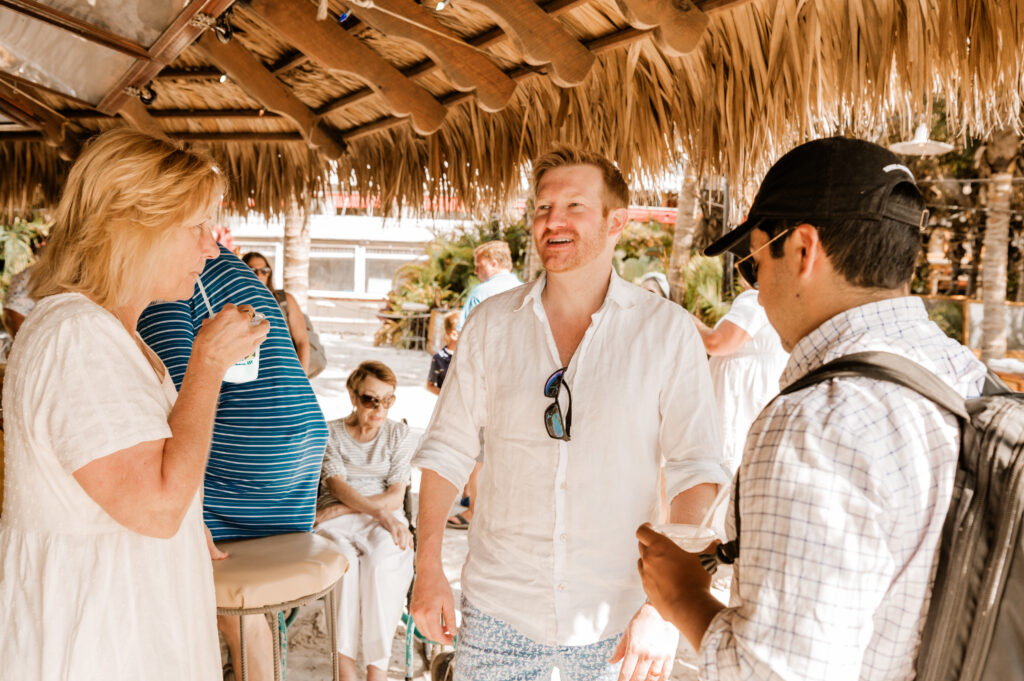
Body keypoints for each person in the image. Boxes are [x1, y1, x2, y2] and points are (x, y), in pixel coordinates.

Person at [636, 137, 989, 681]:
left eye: (752, 265)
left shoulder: (816, 422)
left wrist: (681, 598)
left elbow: (777, 673)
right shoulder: (966, 375)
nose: (756, 287)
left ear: (802, 249)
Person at [411, 145, 729, 681]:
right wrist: (427, 570)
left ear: (616, 222)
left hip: (622, 620)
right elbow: (446, 450)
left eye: (574, 206)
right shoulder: (491, 324)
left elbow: (695, 469)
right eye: (541, 208)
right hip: (496, 615)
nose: (552, 221)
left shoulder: (666, 331)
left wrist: (666, 604)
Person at [0, 128, 268, 680]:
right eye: (195, 227)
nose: (211, 247)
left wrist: (191, 519)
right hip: (97, 641)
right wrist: (207, 367)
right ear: (130, 226)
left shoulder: (111, 334)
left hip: (121, 627)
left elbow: (143, 484)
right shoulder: (77, 336)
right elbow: (156, 507)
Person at [138, 246, 330, 681]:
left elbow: (176, 397)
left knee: (174, 549)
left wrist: (188, 513)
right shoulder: (224, 263)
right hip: (293, 453)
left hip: (251, 455)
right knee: (247, 601)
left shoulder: (171, 271)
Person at [315, 361, 415, 681]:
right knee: (343, 565)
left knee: (383, 563)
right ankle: (345, 673)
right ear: (353, 396)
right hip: (338, 524)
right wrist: (377, 510)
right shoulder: (330, 432)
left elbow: (396, 497)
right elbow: (336, 485)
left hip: (372, 519)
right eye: (371, 399)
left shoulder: (399, 433)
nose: (379, 408)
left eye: (388, 400)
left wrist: (353, 510)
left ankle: (377, 672)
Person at [689, 284, 788, 469]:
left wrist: (688, 320)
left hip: (735, 400)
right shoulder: (781, 301)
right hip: (753, 396)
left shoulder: (754, 299)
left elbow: (716, 342)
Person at [241, 250, 312, 375]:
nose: (259, 274)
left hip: (285, 374)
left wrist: (302, 378)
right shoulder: (236, 304)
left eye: (264, 271)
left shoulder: (284, 300)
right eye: (252, 270)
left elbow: (302, 342)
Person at [456, 240, 522, 331]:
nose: (475, 271)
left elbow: (463, 333)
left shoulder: (480, 292)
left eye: (479, 266)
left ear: (493, 264)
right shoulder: (528, 291)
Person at [426, 311, 459, 396]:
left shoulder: (468, 356)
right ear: (454, 334)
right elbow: (430, 385)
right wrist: (446, 396)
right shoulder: (439, 358)